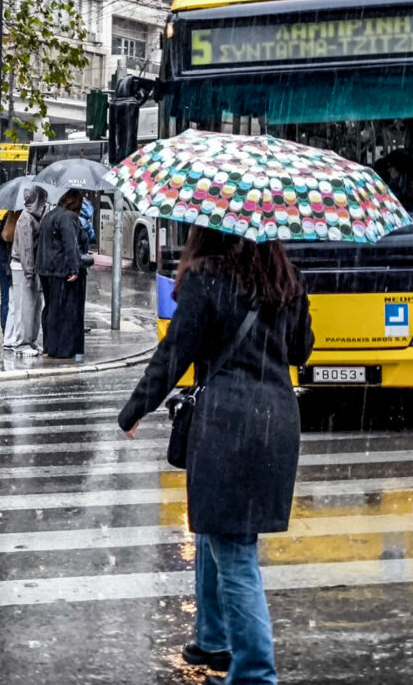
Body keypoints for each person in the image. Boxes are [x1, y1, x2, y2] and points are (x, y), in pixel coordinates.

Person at [117, 226, 313, 685]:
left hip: (228, 424)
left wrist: (134, 409)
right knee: (217, 532)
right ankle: (213, 637)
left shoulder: (207, 278)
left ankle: (255, 673)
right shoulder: (286, 278)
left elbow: (174, 354)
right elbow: (302, 350)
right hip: (276, 422)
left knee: (235, 551)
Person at [36, 189, 89, 360]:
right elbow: (70, 244)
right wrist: (74, 269)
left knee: (50, 308)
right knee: (64, 310)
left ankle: (49, 347)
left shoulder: (49, 216)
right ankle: (62, 349)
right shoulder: (68, 218)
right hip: (60, 270)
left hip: (45, 269)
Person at [3, 187, 46, 356]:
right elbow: (26, 249)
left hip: (28, 267)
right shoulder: (26, 219)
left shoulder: (32, 217)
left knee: (34, 306)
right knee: (25, 306)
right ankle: (22, 343)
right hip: (23, 267)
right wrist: (30, 273)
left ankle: (30, 340)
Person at [0, 207, 18, 331]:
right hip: (8, 262)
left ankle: (6, 331)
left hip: (2, 262)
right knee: (10, 300)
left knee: (6, 299)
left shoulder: (7, 216)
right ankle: (8, 331)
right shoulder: (19, 218)